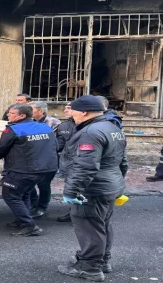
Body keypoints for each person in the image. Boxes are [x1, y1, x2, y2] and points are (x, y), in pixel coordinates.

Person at [57, 95, 128, 282]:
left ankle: (89, 268)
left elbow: (85, 166)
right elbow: (123, 161)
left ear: (84, 112)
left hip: (92, 188)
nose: (70, 115)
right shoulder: (113, 128)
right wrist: (118, 183)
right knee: (102, 224)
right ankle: (102, 260)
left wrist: (71, 191)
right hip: (110, 184)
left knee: (89, 226)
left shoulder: (90, 132)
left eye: (72, 110)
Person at [0, 103, 58, 237]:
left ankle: (29, 225)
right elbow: (55, 146)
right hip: (44, 169)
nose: (8, 115)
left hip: (22, 169)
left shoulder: (14, 130)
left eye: (11, 113)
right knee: (24, 194)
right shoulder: (45, 127)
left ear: (22, 115)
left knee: (11, 195)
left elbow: (1, 149)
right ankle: (21, 221)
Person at [28, 101, 61, 218]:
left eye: (31, 109)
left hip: (48, 159)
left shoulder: (54, 123)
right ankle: (33, 202)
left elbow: (57, 143)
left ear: (41, 111)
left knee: (43, 183)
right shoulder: (28, 122)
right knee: (28, 182)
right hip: (31, 158)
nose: (28, 112)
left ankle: (42, 207)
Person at [56, 103, 78, 222]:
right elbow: (59, 144)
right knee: (72, 188)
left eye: (68, 108)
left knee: (82, 188)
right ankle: (73, 212)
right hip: (68, 163)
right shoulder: (63, 126)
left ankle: (80, 215)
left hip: (83, 163)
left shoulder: (90, 125)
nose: (65, 110)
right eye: (65, 108)